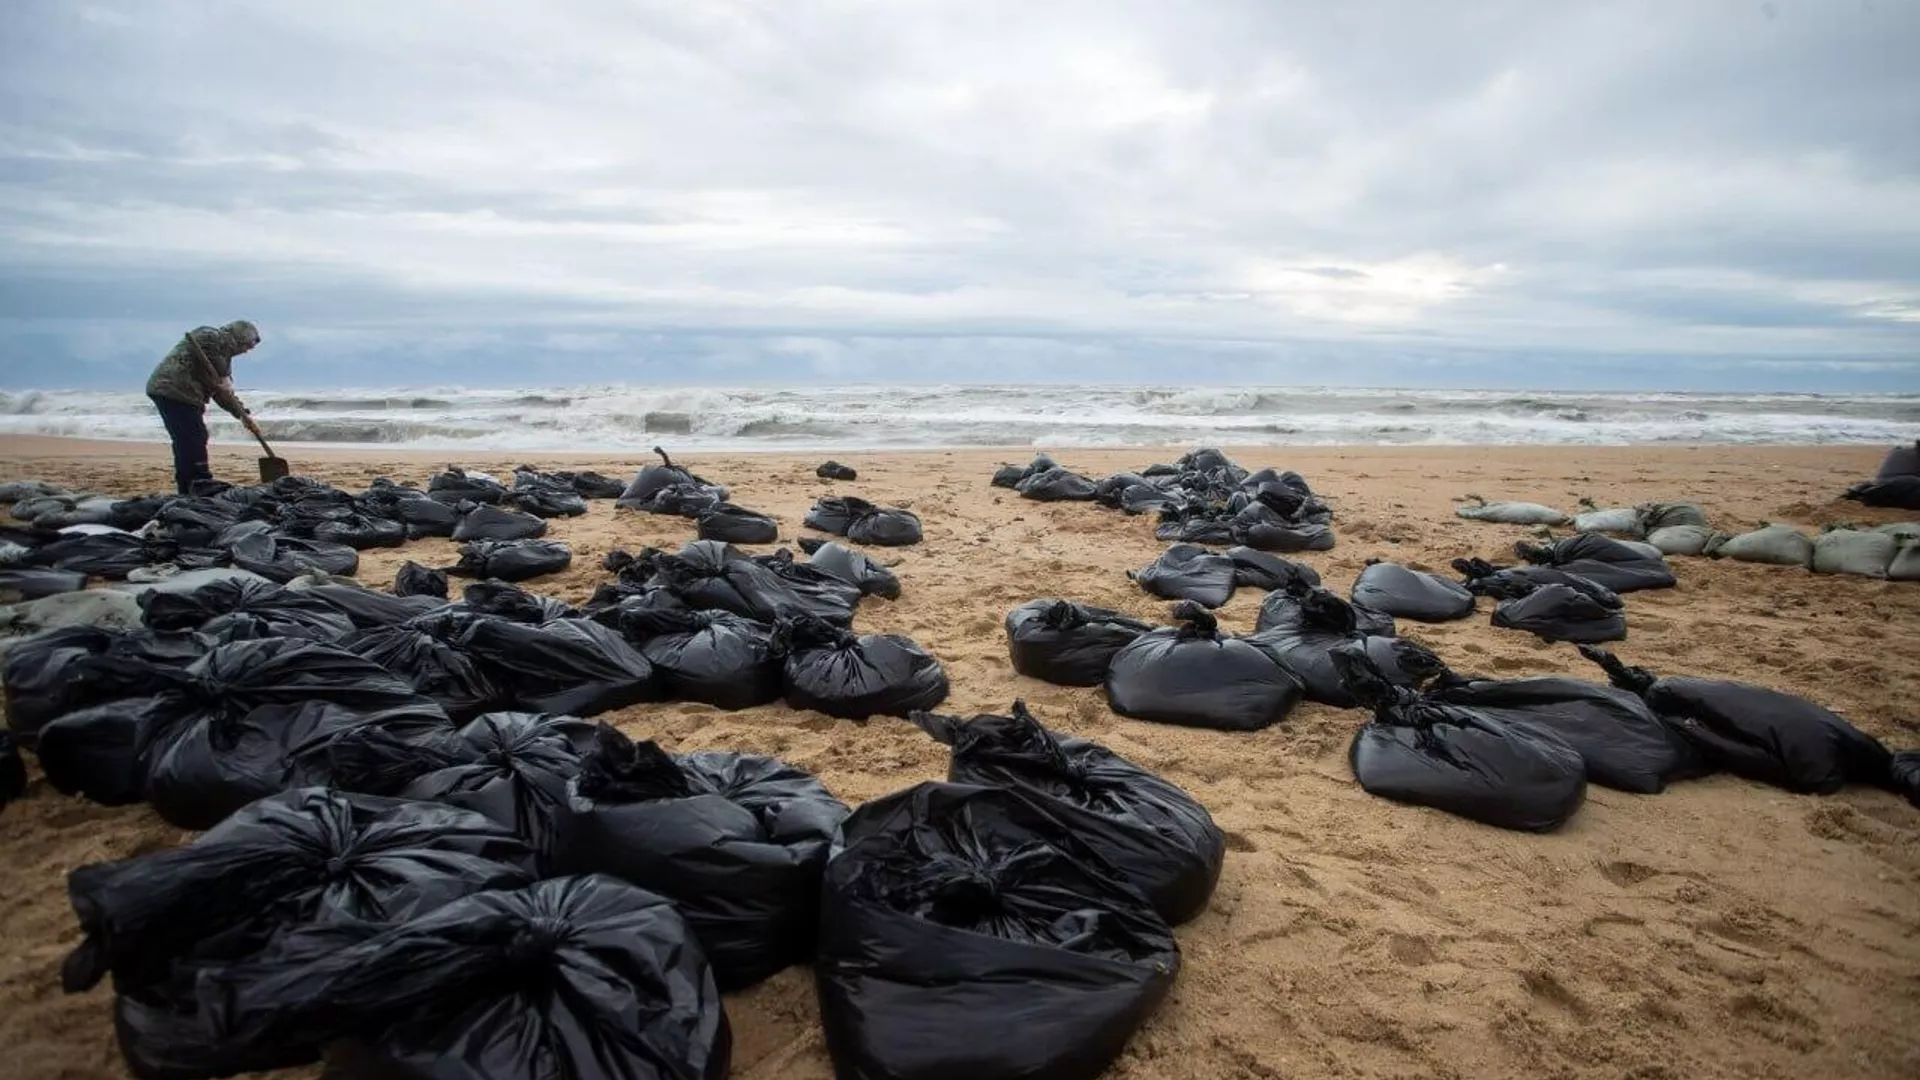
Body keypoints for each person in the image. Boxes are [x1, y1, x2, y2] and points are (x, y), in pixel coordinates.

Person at [146, 320, 266, 494]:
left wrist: (242, 415)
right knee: (192, 437)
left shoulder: (222, 358)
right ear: (239, 337)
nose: (246, 351)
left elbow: (221, 394)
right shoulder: (210, 335)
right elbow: (210, 354)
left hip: (182, 393)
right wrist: (224, 376)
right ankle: (197, 481)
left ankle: (192, 482)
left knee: (191, 437)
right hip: (173, 389)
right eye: (247, 345)